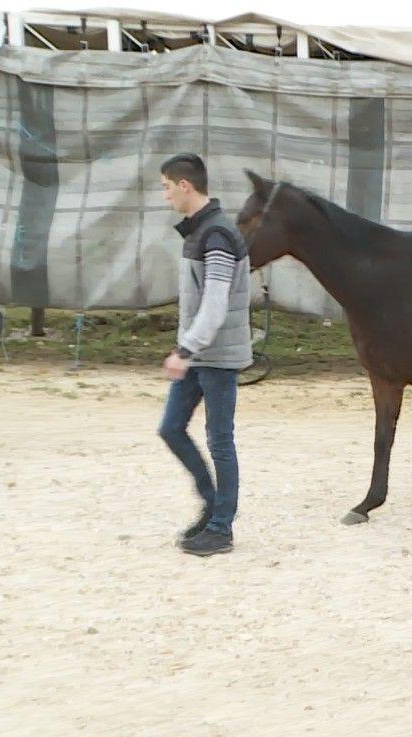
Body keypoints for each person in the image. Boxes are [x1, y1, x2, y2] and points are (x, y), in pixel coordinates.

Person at [156, 153, 253, 556]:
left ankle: (221, 528)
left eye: (165, 187)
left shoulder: (217, 236)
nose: (164, 197)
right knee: (171, 428)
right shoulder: (199, 232)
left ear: (185, 186)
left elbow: (214, 306)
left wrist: (184, 349)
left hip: (215, 356)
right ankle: (212, 505)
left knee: (220, 441)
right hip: (199, 355)